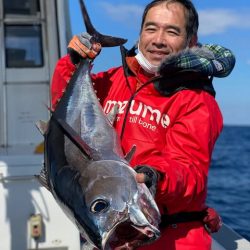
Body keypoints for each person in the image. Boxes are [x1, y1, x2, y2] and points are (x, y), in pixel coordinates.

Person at [51, 0, 235, 249]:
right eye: (151, 28)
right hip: (115, 227)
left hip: (169, 238)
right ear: (140, 35)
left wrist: (154, 177)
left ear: (190, 41)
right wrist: (73, 63)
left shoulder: (197, 101)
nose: (158, 39)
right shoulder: (114, 80)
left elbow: (189, 169)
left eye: (172, 31)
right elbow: (65, 121)